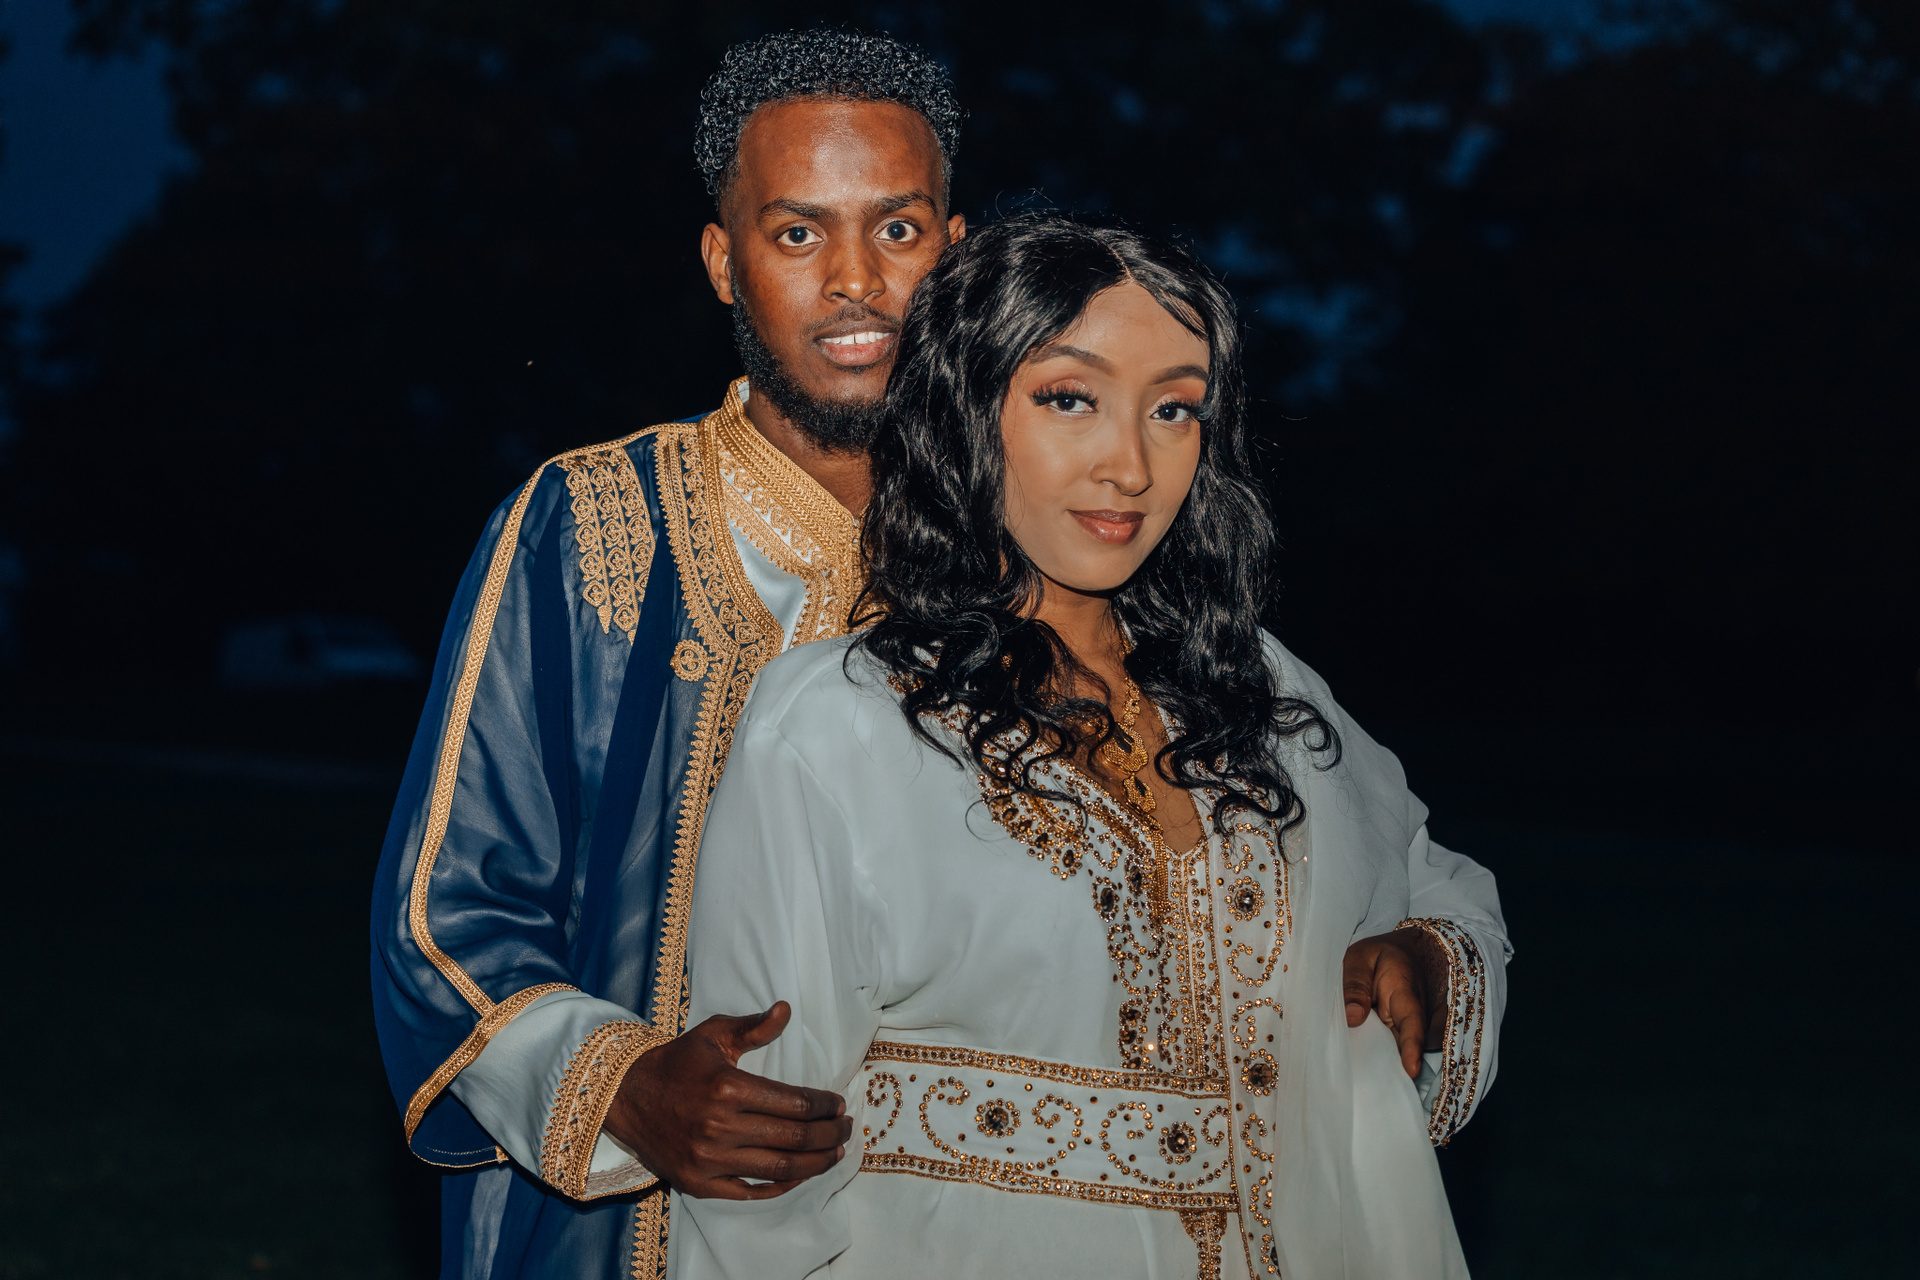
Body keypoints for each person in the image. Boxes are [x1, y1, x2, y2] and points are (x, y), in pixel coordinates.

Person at [673, 213, 1510, 1280]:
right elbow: (759, 1162)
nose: (1130, 465)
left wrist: (1424, 957)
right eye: (1070, 398)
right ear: (968, 409)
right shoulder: (837, 722)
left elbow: (1438, 878)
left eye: (1174, 409)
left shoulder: (1259, 690)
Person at [370, 29, 966, 1280]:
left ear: (955, 252)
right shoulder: (587, 525)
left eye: (899, 229)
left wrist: (1373, 940)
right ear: (723, 261)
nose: (856, 278)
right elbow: (444, 915)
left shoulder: (1038, 557)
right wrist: (622, 1084)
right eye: (797, 232)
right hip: (624, 1234)